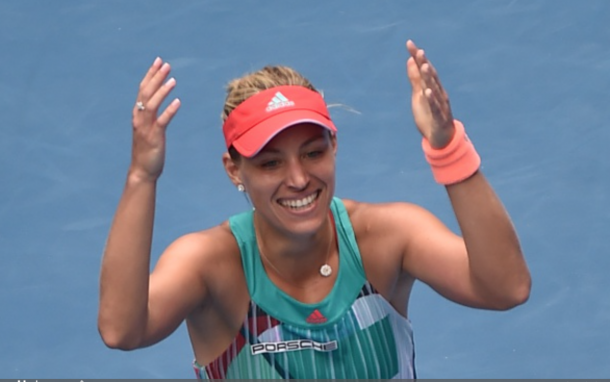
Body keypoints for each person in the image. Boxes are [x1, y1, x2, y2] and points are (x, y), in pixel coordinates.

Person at [98, 39, 531, 379]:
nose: (299, 179)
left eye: (312, 153)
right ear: (234, 170)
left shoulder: (388, 238)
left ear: (334, 146)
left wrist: (447, 147)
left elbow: (505, 288)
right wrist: (141, 176)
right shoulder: (210, 266)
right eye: (270, 163)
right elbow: (122, 330)